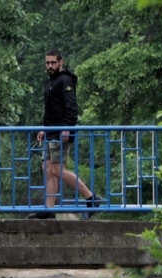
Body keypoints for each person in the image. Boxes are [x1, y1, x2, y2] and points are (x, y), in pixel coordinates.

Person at [29, 49, 105, 219]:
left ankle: (91, 198)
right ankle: (49, 209)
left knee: (57, 169)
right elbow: (52, 111)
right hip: (51, 132)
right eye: (47, 63)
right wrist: (44, 129)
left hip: (61, 133)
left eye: (53, 62)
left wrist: (66, 129)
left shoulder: (65, 80)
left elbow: (72, 109)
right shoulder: (51, 82)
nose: (49, 66)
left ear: (60, 62)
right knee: (47, 169)